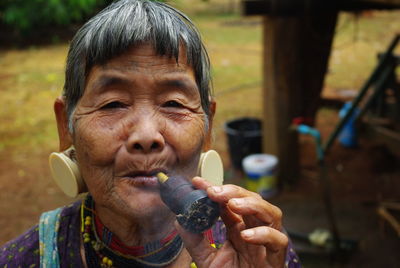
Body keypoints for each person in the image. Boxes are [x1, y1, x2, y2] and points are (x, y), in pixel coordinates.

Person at [0, 0, 300, 267]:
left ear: (207, 125)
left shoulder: (257, 249)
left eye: (173, 103)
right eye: (113, 103)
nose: (146, 136)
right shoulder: (24, 260)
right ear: (67, 126)